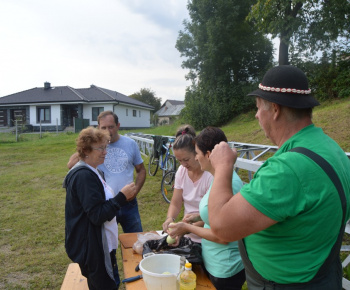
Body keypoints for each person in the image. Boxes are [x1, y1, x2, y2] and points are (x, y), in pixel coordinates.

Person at [208, 65, 350, 289]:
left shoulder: (288, 168)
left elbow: (220, 225)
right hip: (322, 274)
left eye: (257, 108)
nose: (256, 115)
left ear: (274, 109)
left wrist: (223, 166)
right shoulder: (331, 148)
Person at [169, 126, 246, 289]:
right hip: (215, 262)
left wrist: (187, 227)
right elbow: (216, 216)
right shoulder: (219, 178)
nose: (196, 158)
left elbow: (222, 236)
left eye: (196, 153)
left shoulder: (229, 182)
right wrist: (197, 217)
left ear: (209, 155)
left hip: (225, 267)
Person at [63, 126, 136, 289]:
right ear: (86, 151)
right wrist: (121, 197)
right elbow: (97, 215)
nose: (105, 152)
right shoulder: (84, 176)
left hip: (97, 244)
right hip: (92, 248)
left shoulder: (94, 171)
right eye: (100, 148)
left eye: (106, 147)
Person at [67, 110, 146, 234]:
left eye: (111, 127)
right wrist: (89, 147)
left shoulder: (130, 144)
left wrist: (136, 190)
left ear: (118, 126)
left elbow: (141, 170)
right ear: (98, 128)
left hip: (128, 203)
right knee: (107, 243)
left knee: (135, 239)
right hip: (104, 204)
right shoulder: (94, 147)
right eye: (103, 128)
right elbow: (70, 165)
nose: (108, 131)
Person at [162, 125, 213, 243]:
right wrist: (170, 218)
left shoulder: (209, 175)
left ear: (197, 153)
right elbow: (175, 203)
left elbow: (212, 216)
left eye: (186, 159)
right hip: (188, 235)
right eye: (179, 160)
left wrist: (186, 228)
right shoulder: (181, 171)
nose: (183, 164)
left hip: (207, 238)